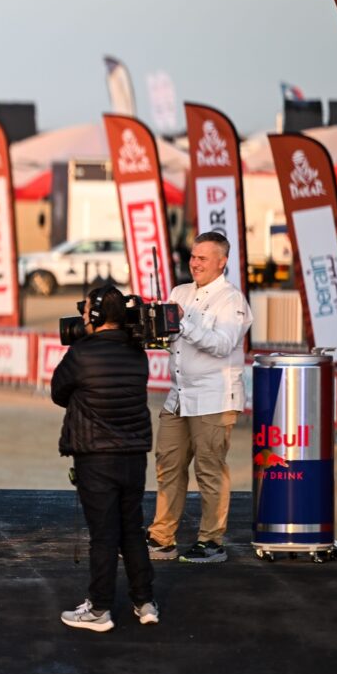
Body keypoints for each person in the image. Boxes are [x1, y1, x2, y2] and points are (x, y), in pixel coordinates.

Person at [51, 286, 159, 632]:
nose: (82, 319)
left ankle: (99, 609)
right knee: (132, 530)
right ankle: (145, 602)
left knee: (103, 535)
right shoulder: (137, 353)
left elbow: (58, 392)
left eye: (86, 313)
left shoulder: (81, 353)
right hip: (134, 455)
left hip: (96, 456)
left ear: (95, 316)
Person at [147, 231, 252, 564]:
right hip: (178, 395)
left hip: (215, 398)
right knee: (167, 465)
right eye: (193, 256)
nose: (195, 263)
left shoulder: (232, 300)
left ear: (222, 262)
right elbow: (168, 339)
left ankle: (211, 541)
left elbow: (221, 345)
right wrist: (152, 326)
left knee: (209, 469)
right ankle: (161, 538)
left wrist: (181, 321)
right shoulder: (179, 292)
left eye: (202, 258)